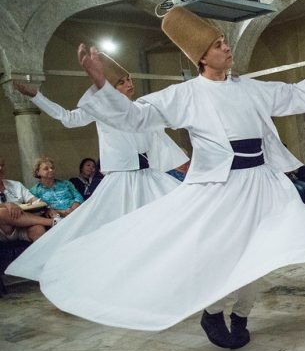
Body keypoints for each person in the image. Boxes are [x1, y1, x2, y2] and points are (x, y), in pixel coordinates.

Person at [33, 7, 305, 350]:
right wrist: (101, 84)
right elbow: (137, 118)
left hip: (262, 183)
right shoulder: (184, 95)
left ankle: (241, 314)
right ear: (202, 57)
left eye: (225, 42)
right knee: (229, 257)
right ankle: (213, 311)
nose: (226, 48)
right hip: (222, 188)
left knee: (262, 254)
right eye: (218, 45)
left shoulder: (249, 88)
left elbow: (292, 96)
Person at [8, 54, 188, 281]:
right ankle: (122, 274)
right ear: (109, 88)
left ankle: (163, 271)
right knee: (116, 230)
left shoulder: (140, 108)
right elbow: (68, 118)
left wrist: (182, 165)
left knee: (169, 218)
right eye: (121, 81)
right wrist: (37, 96)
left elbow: (158, 138)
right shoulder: (100, 110)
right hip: (121, 180)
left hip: (148, 176)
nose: (129, 84)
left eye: (129, 79)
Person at [0, 156, 55, 243]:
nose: (0, 168)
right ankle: (52, 222)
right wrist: (7, 205)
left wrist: (45, 207)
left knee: (38, 228)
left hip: (20, 226)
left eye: (2, 165)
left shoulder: (15, 185)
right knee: (2, 212)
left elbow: (33, 199)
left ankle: (42, 252)